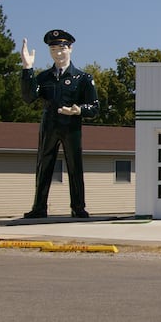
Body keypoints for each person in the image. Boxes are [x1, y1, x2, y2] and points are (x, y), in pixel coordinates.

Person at [20, 30, 99, 218]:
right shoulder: (44, 78)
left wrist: (78, 110)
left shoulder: (82, 78)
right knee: (44, 165)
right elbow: (29, 97)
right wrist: (27, 69)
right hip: (49, 125)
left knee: (75, 166)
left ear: (70, 49)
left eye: (62, 48)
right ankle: (39, 207)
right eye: (53, 49)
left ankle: (78, 207)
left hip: (71, 127)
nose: (58, 53)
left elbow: (95, 107)